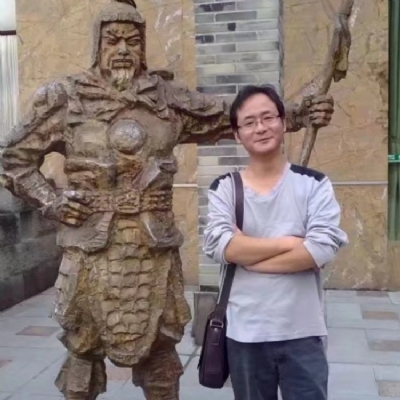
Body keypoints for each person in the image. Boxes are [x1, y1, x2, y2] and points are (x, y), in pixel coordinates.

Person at [0, 1, 335, 399]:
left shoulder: (166, 99)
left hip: (153, 250)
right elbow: (13, 159)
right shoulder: (66, 98)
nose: (122, 49)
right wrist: (53, 202)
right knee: (82, 350)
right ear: (96, 44)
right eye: (112, 40)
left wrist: (295, 114)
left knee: (161, 355)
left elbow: (228, 116)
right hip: (89, 250)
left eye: (132, 41)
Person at [203, 84, 348, 400]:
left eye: (268, 117)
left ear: (283, 123)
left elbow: (321, 248)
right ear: (238, 134)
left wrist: (248, 255)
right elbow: (222, 247)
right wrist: (290, 243)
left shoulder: (314, 184)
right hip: (245, 333)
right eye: (249, 122)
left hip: (302, 332)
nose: (261, 128)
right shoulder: (224, 188)